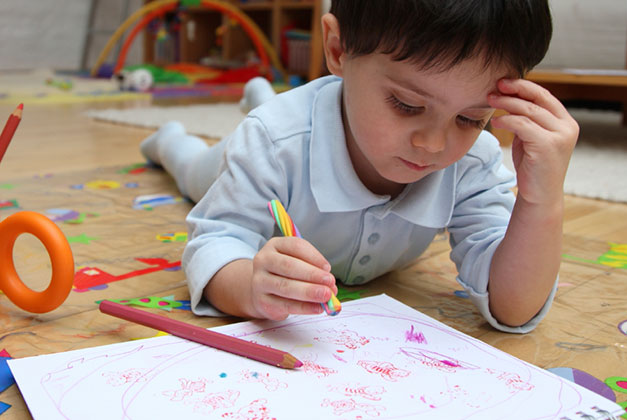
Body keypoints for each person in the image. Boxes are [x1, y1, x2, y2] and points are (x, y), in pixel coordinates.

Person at [139, 0, 578, 333]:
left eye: (471, 118)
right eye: (407, 104)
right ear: (337, 49)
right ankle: (170, 140)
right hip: (260, 146)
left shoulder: (473, 162)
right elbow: (216, 241)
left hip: (296, 124)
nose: (434, 142)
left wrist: (542, 200)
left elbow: (514, 307)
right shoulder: (272, 141)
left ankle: (259, 93)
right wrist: (249, 286)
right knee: (193, 169)